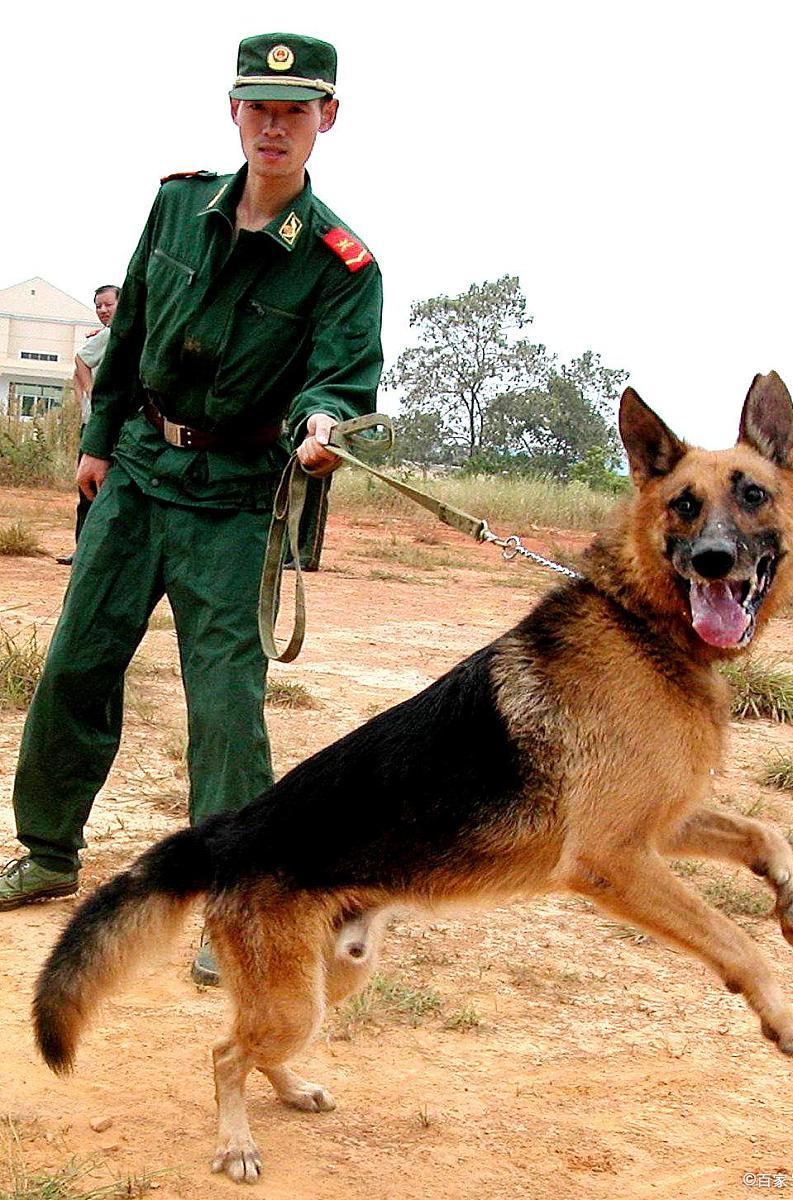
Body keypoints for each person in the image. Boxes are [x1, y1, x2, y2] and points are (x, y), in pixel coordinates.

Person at [0, 33, 384, 985]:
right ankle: (47, 851)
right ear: (234, 113)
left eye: (296, 111)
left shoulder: (343, 266)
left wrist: (323, 421)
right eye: (260, 108)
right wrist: (95, 446)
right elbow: (129, 326)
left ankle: (234, 905)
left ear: (327, 120)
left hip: (236, 498)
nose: (276, 126)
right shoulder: (177, 204)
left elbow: (339, 375)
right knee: (78, 663)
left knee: (225, 706)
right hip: (135, 474)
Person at [57, 285, 121, 565]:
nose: (103, 310)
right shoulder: (110, 335)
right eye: (98, 306)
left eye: (108, 304)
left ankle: (94, 551)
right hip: (98, 428)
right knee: (89, 491)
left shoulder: (121, 334)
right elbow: (80, 362)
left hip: (109, 426)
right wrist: (90, 397)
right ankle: (85, 551)